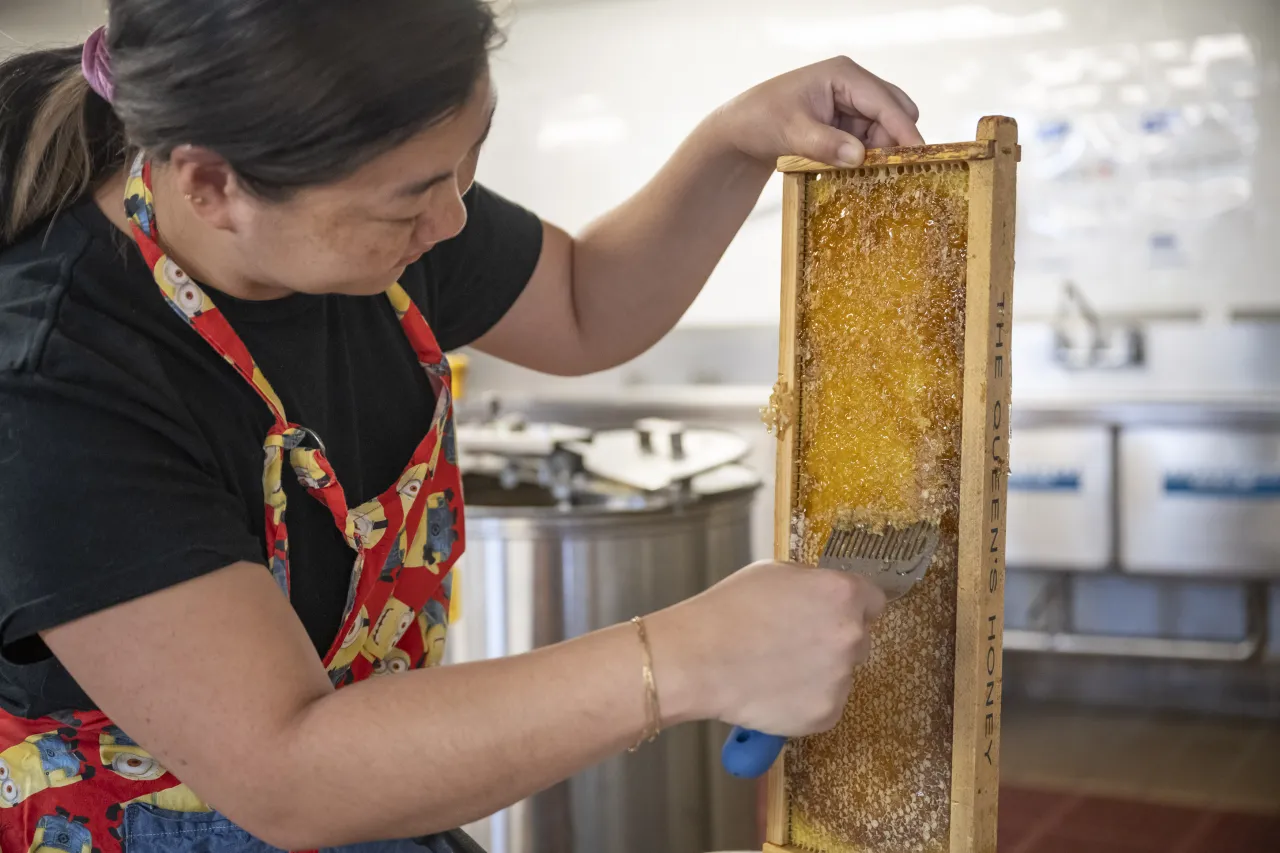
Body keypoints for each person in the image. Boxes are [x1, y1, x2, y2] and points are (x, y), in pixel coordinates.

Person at [0, 2, 923, 851]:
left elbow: (580, 300)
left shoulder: (370, 225)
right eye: (408, 198)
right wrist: (685, 659)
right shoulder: (57, 377)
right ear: (211, 183)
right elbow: (289, 773)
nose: (451, 220)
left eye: (467, 158)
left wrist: (739, 137)